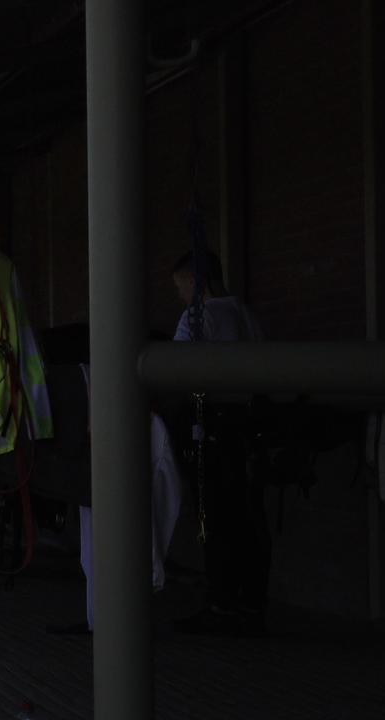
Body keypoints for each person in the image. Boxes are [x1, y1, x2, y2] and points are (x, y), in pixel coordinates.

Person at [169, 249, 268, 637]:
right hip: (248, 429)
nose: (179, 296)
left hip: (211, 429)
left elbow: (174, 369)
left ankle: (219, 605)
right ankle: (250, 604)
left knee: (214, 518)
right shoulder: (248, 316)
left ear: (195, 282)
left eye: (180, 287)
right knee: (249, 519)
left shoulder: (198, 316)